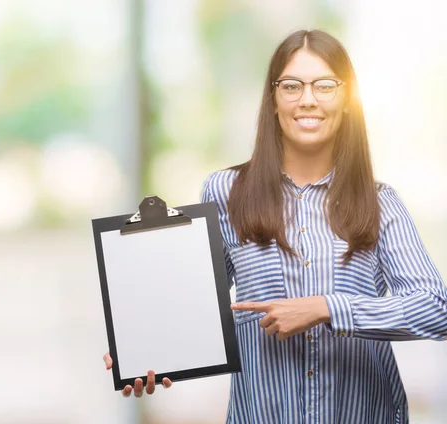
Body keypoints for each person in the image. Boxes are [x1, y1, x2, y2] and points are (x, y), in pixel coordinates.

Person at [103, 29, 447, 423]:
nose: (308, 99)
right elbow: (193, 307)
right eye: (292, 86)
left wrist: (326, 308)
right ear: (273, 100)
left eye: (325, 85)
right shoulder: (226, 191)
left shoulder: (380, 202)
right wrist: (144, 349)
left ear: (347, 100)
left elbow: (437, 309)